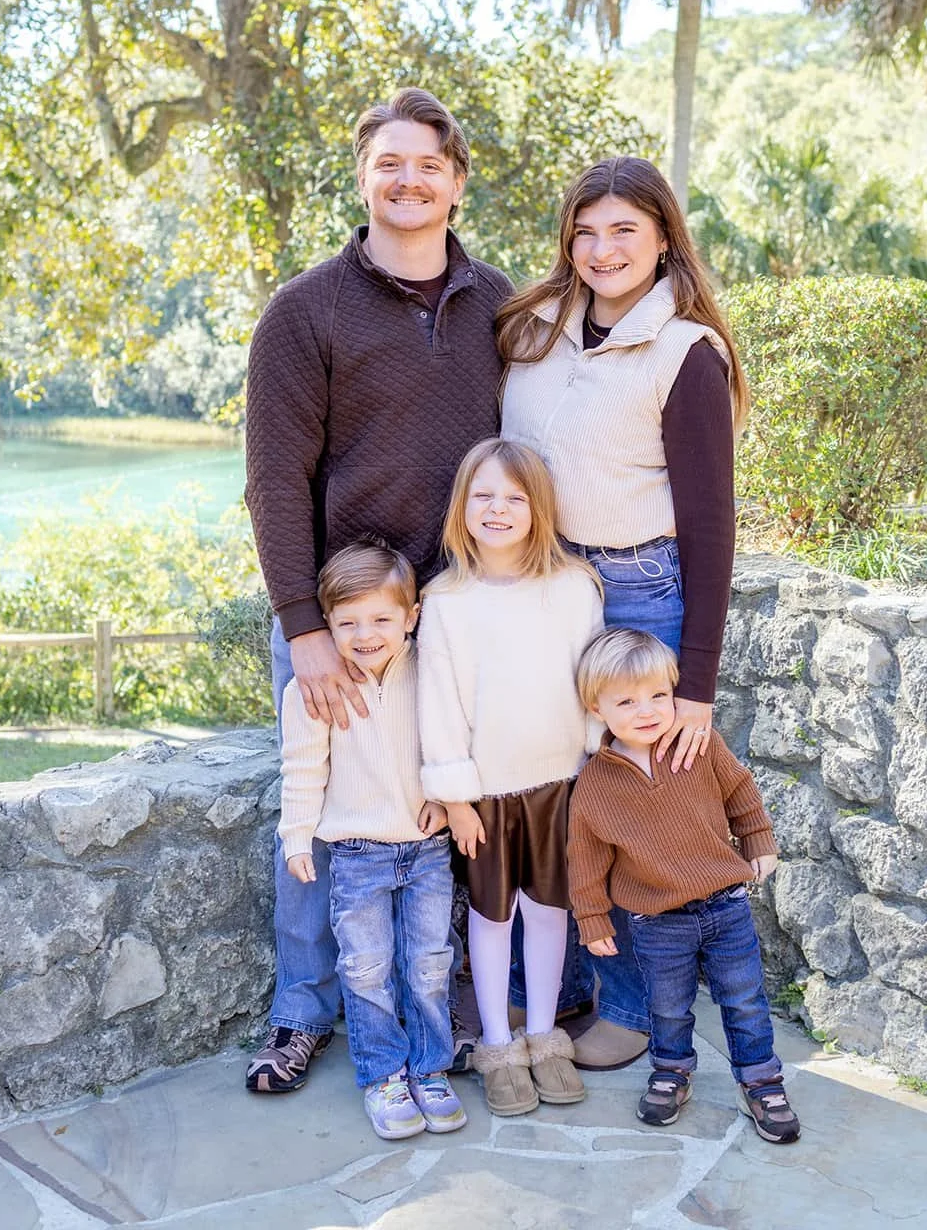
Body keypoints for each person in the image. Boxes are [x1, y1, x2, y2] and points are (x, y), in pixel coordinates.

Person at [245, 87, 513, 1094]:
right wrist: (303, 627)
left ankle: (435, 1013)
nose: (408, 179)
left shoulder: (498, 302)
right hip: (343, 621)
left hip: (449, 620)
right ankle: (301, 1014)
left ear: (455, 179)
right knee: (320, 819)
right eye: (388, 163)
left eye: (427, 164)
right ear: (362, 176)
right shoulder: (304, 310)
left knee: (441, 809)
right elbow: (273, 480)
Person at [499, 155, 749, 1070]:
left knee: (630, 804)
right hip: (538, 583)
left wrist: (696, 684)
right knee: (542, 789)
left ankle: (635, 1008)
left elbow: (711, 524)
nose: (602, 249)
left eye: (625, 232)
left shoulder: (686, 353)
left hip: (638, 592)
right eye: (586, 230)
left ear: (662, 241)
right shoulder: (530, 327)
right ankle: (552, 988)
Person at [417, 438, 605, 1117]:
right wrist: (455, 797)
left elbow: (591, 680)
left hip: (559, 784)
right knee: (492, 920)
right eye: (483, 496)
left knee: (550, 914)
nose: (497, 510)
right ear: (462, 507)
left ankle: (541, 1035)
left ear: (538, 509)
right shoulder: (445, 600)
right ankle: (498, 1046)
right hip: (486, 797)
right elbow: (436, 702)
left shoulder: (573, 587)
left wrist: (590, 762)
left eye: (514, 499)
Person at [569, 629, 799, 1142]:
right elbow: (584, 858)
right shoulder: (596, 785)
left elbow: (739, 788)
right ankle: (671, 1071)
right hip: (656, 921)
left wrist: (758, 839)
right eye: (626, 701)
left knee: (743, 999)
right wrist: (591, 919)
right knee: (668, 1005)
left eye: (658, 695)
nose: (647, 710)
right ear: (596, 707)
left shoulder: (697, 745)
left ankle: (761, 1079)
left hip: (725, 906)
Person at [279, 539, 466, 1140]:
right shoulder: (314, 691)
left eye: (383, 618)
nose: (367, 633)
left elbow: (454, 740)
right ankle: (384, 1074)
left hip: (428, 846)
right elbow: (303, 769)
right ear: (325, 625)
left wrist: (448, 794)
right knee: (366, 968)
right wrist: (297, 838)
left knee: (431, 963)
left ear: (410, 618)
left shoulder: (431, 672)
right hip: (357, 854)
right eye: (348, 621)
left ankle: (431, 1068)